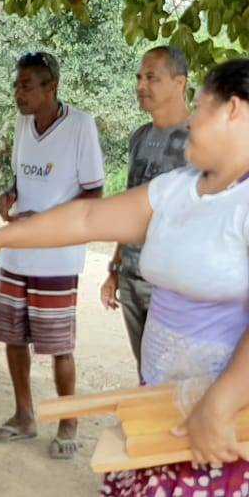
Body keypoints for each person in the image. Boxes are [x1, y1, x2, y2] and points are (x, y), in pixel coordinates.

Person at [0, 59, 249, 495]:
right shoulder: (180, 188)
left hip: (246, 421)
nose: (191, 119)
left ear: (234, 111)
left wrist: (220, 406)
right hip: (169, 408)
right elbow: (88, 217)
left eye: (201, 108)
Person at [0, 52, 105, 460]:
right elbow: (22, 178)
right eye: (17, 85)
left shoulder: (81, 126)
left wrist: (47, 221)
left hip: (57, 255)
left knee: (58, 346)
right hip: (18, 251)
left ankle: (68, 421)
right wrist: (11, 195)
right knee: (13, 338)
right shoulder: (22, 124)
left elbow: (94, 193)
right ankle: (24, 416)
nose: (18, 93)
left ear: (51, 88)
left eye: (27, 86)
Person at [101, 47, 191, 377]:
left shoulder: (200, 141)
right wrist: (115, 267)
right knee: (145, 374)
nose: (142, 85)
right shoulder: (140, 137)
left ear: (180, 83)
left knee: (171, 377)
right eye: (139, 77)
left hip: (172, 285)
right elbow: (130, 207)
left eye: (152, 77)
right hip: (132, 278)